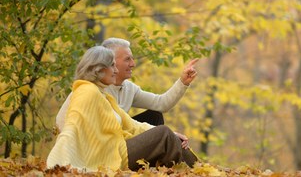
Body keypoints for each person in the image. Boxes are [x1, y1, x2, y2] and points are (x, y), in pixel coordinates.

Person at [47, 46, 198, 171]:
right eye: (113, 65)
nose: (116, 70)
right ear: (99, 69)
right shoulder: (87, 92)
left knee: (164, 131)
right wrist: (60, 159)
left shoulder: (104, 95)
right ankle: (195, 171)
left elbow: (135, 123)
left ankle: (198, 169)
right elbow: (70, 126)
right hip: (109, 155)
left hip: (117, 145)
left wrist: (173, 133)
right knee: (163, 133)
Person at [56, 38, 198, 130]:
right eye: (127, 59)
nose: (133, 64)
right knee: (162, 133)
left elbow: (161, 104)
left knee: (155, 116)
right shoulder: (92, 87)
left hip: (122, 135)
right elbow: (63, 123)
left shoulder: (129, 88)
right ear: (110, 60)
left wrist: (182, 82)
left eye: (132, 59)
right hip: (102, 145)